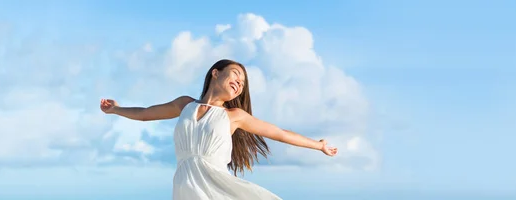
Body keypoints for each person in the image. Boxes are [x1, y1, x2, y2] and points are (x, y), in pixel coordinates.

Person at [100, 59, 338, 200]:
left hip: (215, 186)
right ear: (216, 73)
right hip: (184, 185)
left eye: (242, 84)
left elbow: (280, 133)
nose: (239, 84)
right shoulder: (185, 105)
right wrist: (116, 110)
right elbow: (144, 114)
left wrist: (318, 145)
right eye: (235, 75)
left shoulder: (234, 116)